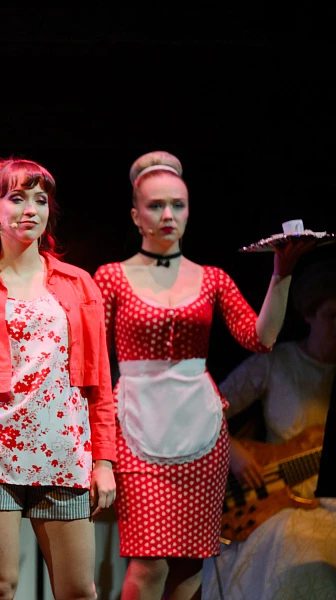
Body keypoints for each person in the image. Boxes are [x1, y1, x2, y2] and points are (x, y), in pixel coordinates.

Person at [92, 150, 313, 599]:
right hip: (137, 427)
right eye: (156, 206)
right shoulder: (111, 277)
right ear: (136, 216)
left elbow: (260, 338)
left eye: (178, 205)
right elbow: (93, 360)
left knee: (191, 564)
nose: (168, 215)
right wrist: (98, 449)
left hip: (201, 431)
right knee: (148, 564)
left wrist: (282, 273)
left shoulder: (212, 278)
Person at [0, 158, 117, 600]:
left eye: (40, 200)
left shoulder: (80, 286)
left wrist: (104, 462)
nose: (30, 210)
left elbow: (99, 382)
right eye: (17, 198)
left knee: (79, 591)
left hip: (64, 453)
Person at [202, 256, 335, 599]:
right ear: (309, 314)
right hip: (272, 501)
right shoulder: (276, 363)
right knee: (296, 549)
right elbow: (205, 412)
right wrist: (233, 450)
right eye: (331, 316)